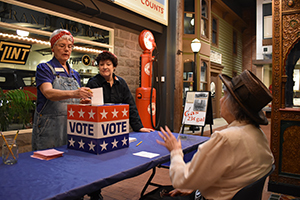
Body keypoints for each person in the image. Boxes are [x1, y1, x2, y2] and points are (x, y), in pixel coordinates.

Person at [156, 70, 274, 200]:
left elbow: (181, 180)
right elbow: (232, 176)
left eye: (224, 96)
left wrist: (176, 151)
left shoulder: (226, 138)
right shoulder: (259, 135)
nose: (220, 100)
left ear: (234, 105)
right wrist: (197, 185)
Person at [32, 29, 93, 151]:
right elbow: (48, 92)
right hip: (49, 127)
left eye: (70, 47)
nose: (67, 49)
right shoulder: (45, 68)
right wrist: (75, 93)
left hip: (72, 126)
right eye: (62, 46)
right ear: (53, 48)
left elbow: (71, 100)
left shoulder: (74, 74)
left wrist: (81, 103)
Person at [86, 51, 154, 133]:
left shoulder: (121, 83)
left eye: (108, 64)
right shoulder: (93, 83)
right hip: (99, 128)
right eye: (101, 64)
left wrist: (138, 127)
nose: (105, 67)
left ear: (114, 66)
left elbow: (131, 106)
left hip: (118, 127)